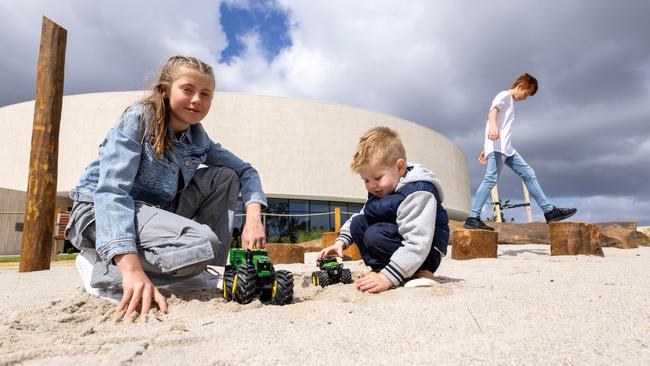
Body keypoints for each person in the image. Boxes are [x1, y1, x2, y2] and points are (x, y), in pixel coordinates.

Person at [65, 55, 267, 319]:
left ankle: (197, 268)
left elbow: (245, 170)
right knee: (203, 243)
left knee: (225, 176)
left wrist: (253, 216)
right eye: (187, 89)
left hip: (149, 213)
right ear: (164, 91)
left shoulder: (198, 139)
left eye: (206, 94)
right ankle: (104, 266)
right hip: (99, 214)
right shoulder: (139, 119)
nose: (197, 99)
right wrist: (131, 269)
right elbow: (112, 192)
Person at [318, 127, 449, 293]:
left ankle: (419, 273)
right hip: (396, 241)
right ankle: (382, 270)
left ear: (400, 168)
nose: (372, 185)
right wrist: (340, 242)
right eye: (366, 180)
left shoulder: (418, 192)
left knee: (375, 235)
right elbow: (361, 215)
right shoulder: (381, 190)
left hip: (425, 253)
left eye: (378, 178)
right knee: (359, 224)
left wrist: (387, 278)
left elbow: (418, 243)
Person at [463, 73, 577, 231]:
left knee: (528, 173)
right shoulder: (504, 95)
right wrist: (493, 132)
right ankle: (473, 217)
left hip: (506, 149)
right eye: (526, 94)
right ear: (520, 86)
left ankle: (549, 211)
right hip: (498, 146)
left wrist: (485, 147)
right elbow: (492, 113)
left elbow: (500, 124)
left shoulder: (510, 102)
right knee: (490, 179)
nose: (525, 98)